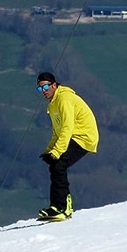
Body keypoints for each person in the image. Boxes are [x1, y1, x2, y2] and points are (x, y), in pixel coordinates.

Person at [36, 72, 99, 221]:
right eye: (40, 88)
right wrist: (49, 150)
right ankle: (56, 207)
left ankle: (64, 207)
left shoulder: (64, 98)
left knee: (59, 165)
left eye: (45, 87)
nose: (43, 91)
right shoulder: (52, 105)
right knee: (55, 165)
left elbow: (67, 127)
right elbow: (57, 132)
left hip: (83, 137)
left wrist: (57, 151)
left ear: (54, 85)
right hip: (73, 136)